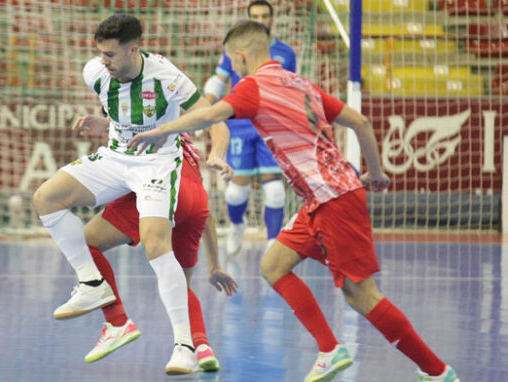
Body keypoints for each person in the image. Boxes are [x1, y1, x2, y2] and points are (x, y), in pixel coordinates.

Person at [128, 21, 460, 382]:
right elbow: (361, 122)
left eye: (231, 60)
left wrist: (157, 131)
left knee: (361, 294)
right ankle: (330, 350)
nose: (233, 69)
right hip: (321, 199)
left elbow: (208, 115)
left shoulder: (252, 88)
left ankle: (437, 371)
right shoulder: (301, 83)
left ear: (240, 55)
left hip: (335, 200)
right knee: (273, 264)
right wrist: (375, 173)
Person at [32, 14, 230, 375]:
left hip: (156, 163)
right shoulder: (95, 72)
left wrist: (216, 153)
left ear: (134, 49)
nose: (104, 62)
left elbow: (213, 117)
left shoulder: (166, 76)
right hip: (115, 157)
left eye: (111, 54)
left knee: (157, 244)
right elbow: (127, 110)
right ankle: (93, 285)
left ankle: (186, 345)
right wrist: (107, 123)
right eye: (101, 54)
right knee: (45, 197)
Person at [74, 133, 237, 372]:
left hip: (158, 190)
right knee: (180, 284)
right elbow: (207, 211)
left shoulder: (129, 129)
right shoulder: (183, 139)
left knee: (85, 243)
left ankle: (116, 320)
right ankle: (202, 347)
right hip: (196, 203)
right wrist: (215, 265)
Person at [203, 0, 296, 256]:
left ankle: (272, 243)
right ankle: (236, 225)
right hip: (240, 124)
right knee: (235, 191)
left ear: (272, 19)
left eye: (265, 16)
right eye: (255, 16)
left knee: (275, 188)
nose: (260, 20)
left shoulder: (286, 53)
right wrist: (206, 104)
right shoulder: (233, 50)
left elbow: (290, 88)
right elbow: (219, 78)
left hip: (271, 125)